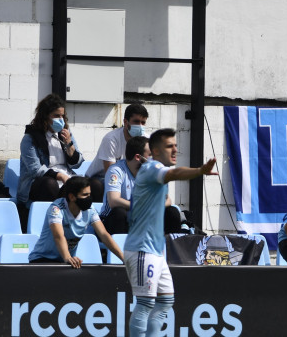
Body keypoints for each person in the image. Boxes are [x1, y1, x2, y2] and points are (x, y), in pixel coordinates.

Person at [123, 128, 216, 337]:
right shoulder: (152, 168)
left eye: (175, 145)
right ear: (155, 151)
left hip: (155, 251)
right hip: (141, 249)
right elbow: (174, 174)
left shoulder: (155, 171)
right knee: (146, 303)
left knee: (165, 300)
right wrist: (200, 170)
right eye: (169, 146)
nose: (175, 149)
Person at [17, 94, 100, 206]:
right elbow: (35, 170)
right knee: (50, 184)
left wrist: (69, 145)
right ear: (45, 116)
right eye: (56, 116)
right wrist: (60, 176)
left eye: (62, 116)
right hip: (42, 182)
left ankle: (91, 219)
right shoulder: (30, 138)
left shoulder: (65, 133)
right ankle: (54, 216)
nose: (60, 120)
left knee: (95, 184)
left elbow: (78, 164)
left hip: (66, 179)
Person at [28, 176, 124, 267]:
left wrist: (124, 259)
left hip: (65, 262)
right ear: (72, 197)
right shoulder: (56, 208)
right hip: (42, 260)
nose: (89, 198)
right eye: (85, 195)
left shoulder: (90, 210)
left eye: (90, 194)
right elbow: (58, 236)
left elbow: (104, 234)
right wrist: (68, 257)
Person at [100, 136, 182, 235]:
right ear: (138, 157)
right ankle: (120, 249)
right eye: (151, 154)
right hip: (115, 222)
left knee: (172, 212)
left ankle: (172, 248)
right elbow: (114, 201)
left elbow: (167, 200)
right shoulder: (116, 171)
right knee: (119, 213)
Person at [85, 103, 149, 181]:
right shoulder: (111, 139)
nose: (140, 126)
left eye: (143, 122)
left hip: (129, 178)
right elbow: (110, 173)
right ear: (125, 122)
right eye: (136, 122)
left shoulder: (147, 141)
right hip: (100, 177)